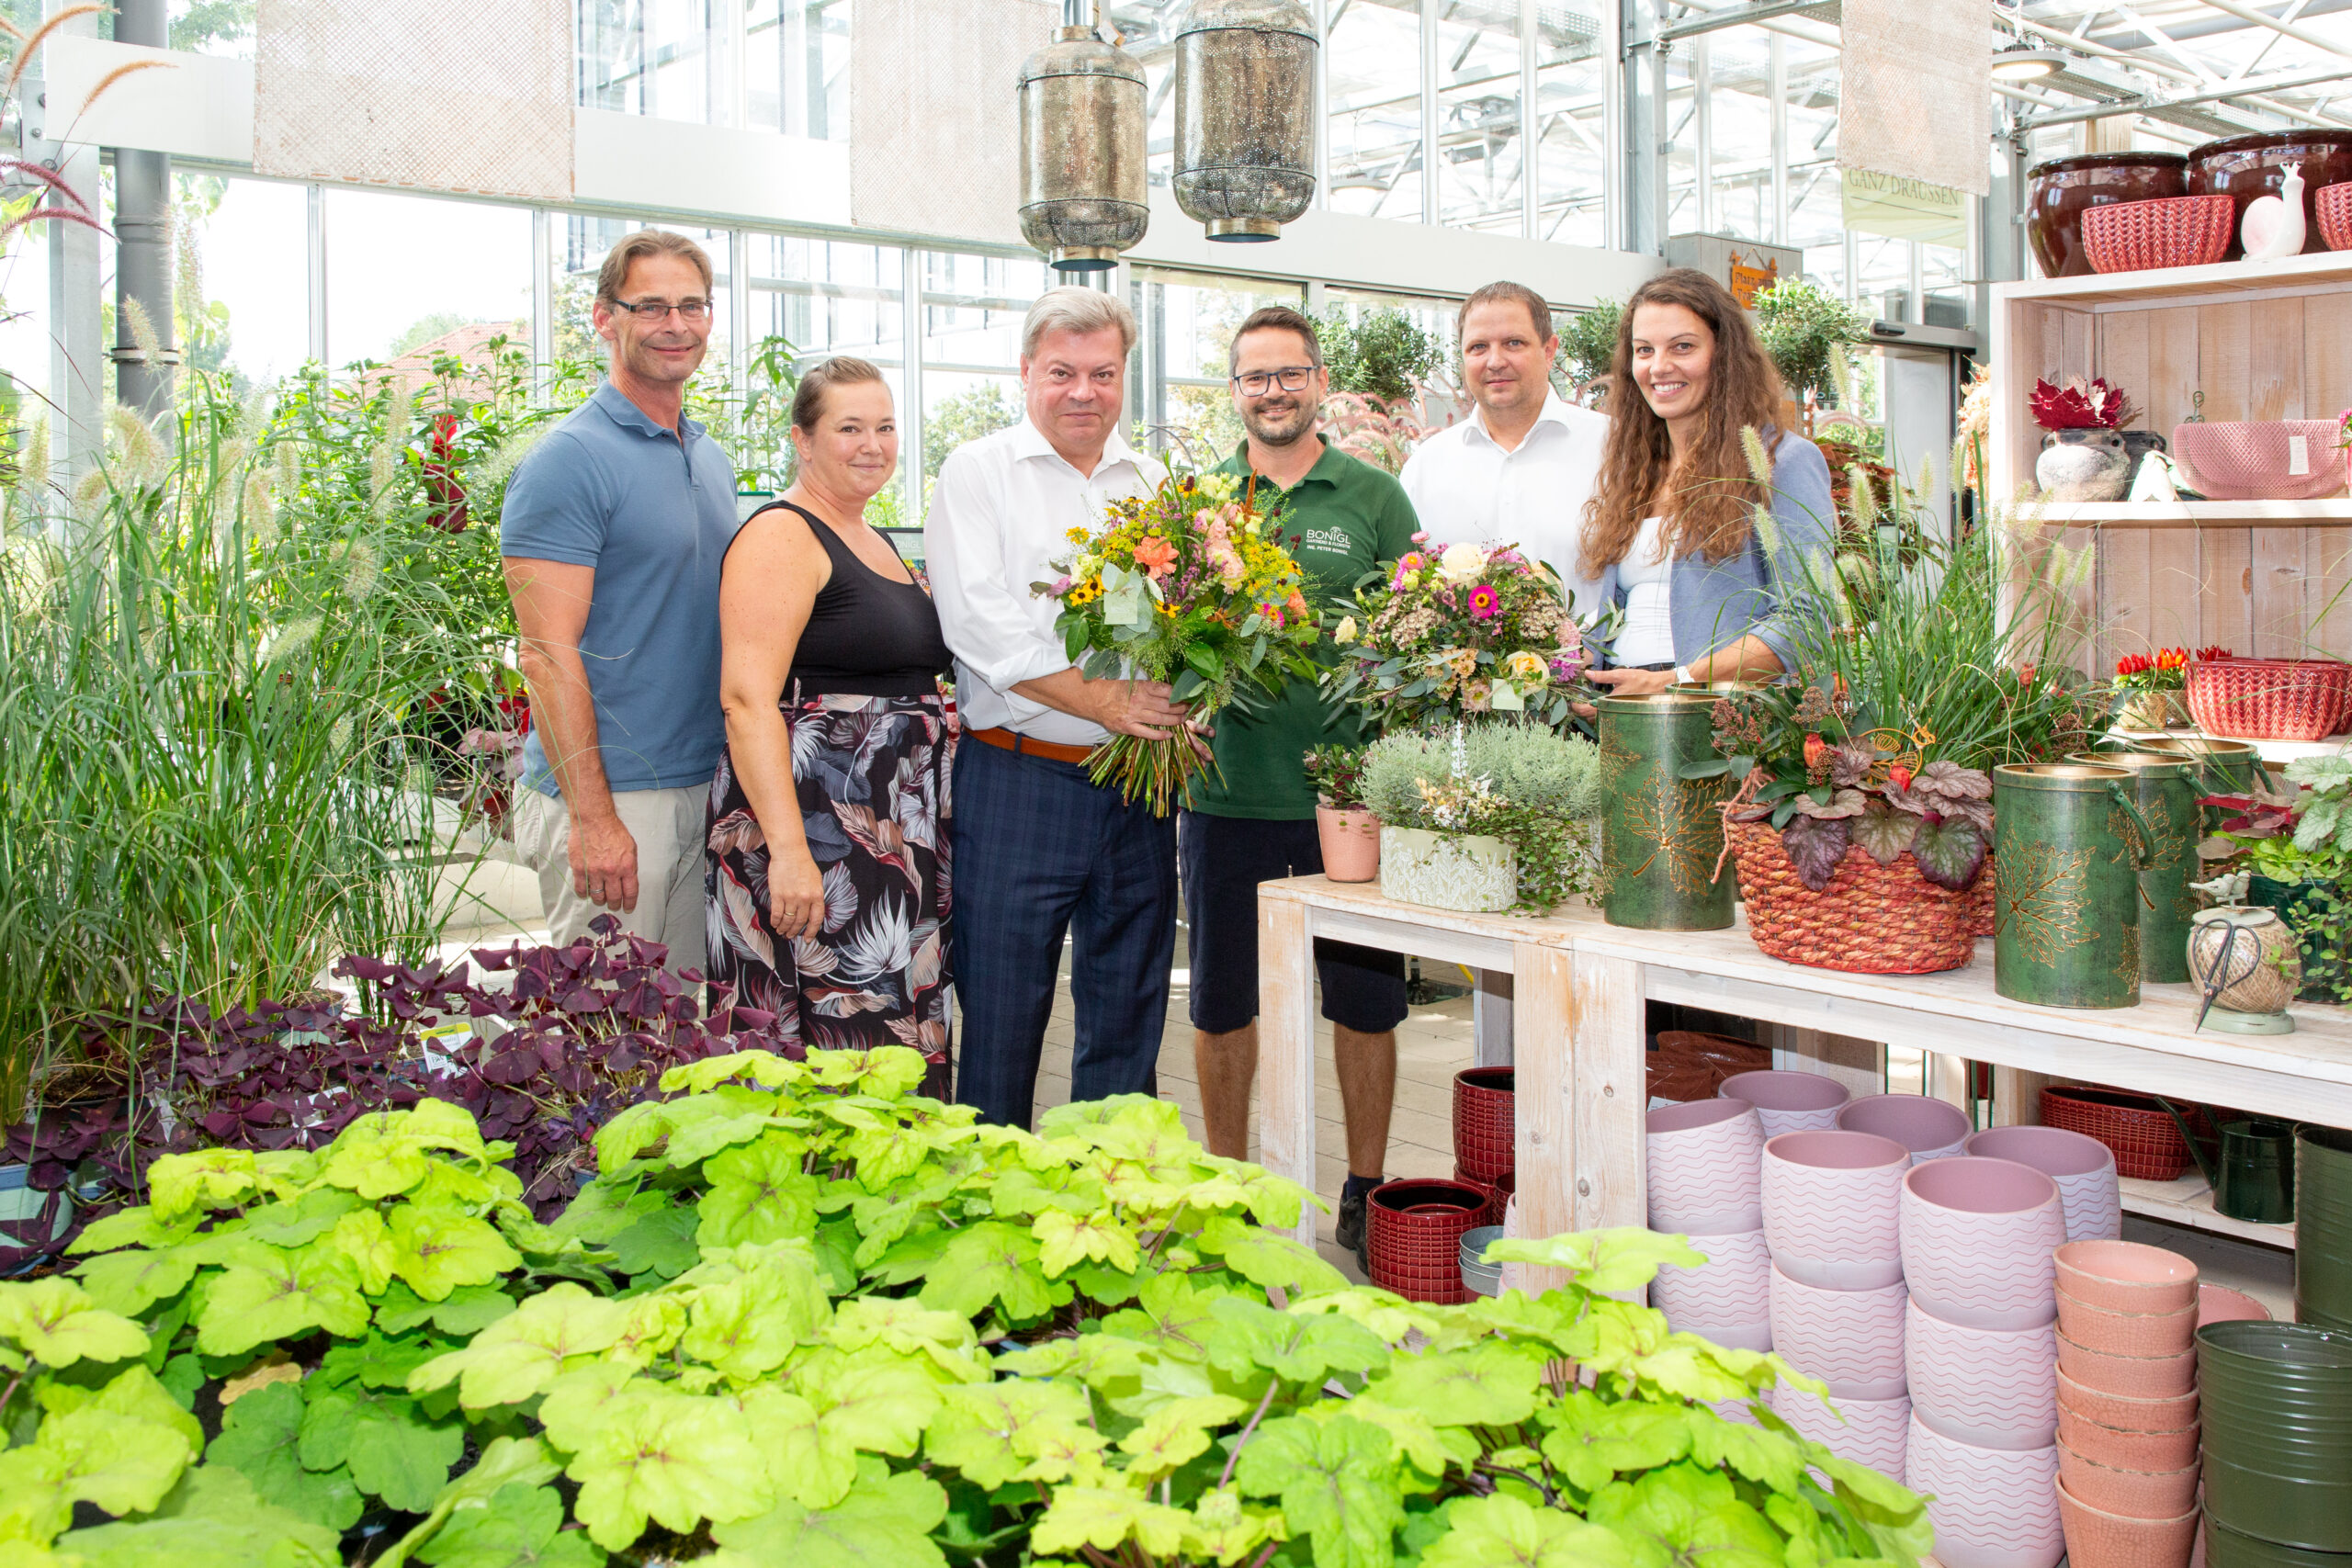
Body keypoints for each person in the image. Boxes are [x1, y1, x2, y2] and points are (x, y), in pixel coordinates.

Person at [1183, 306, 1419, 1270]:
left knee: (1365, 1006)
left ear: (1319, 383)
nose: (1272, 392)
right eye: (1254, 377)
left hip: (1346, 797)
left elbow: (1417, 633)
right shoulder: (1197, 503)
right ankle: (1231, 1185)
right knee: (1220, 1003)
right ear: (1233, 391)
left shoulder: (1372, 497)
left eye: (1289, 374)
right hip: (1226, 792)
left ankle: (1362, 1187)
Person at [925, 288, 1183, 1129]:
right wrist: (1105, 700)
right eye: (1063, 372)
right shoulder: (978, 471)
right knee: (1001, 1015)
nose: (1084, 391)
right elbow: (978, 625)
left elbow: (1187, 615)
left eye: (1104, 373)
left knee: (1128, 1017)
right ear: (1027, 372)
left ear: (1124, 378)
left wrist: (1191, 690)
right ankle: (990, 1220)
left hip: (1140, 788)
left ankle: (1109, 1208)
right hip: (1021, 781)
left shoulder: (1153, 481)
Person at [707, 358, 956, 1096]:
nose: (872, 443)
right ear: (802, 439)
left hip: (887, 837)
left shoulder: (871, 535)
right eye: (849, 427)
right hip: (817, 835)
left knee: (889, 1037)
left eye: (884, 426)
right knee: (831, 1045)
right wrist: (788, 852)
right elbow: (747, 701)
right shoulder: (782, 534)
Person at [503, 230, 739, 975]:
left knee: (688, 1053)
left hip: (702, 786)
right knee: (612, 1050)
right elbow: (545, 651)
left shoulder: (707, 454)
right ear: (605, 318)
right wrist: (595, 817)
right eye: (652, 306)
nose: (677, 323)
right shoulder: (569, 462)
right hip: (617, 799)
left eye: (692, 305)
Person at [1577, 267, 1835, 699]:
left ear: (1725, 354)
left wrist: (1671, 681)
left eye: (1682, 346)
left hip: (1722, 725)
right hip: (1627, 715)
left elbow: (1806, 621)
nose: (1659, 367)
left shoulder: (1782, 461)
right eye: (1644, 350)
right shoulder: (1634, 472)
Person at [1400, 280, 1609, 614]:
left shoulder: (1612, 448)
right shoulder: (1425, 466)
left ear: (1549, 350)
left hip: (1587, 665)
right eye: (1478, 347)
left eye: (1514, 343)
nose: (1495, 361)